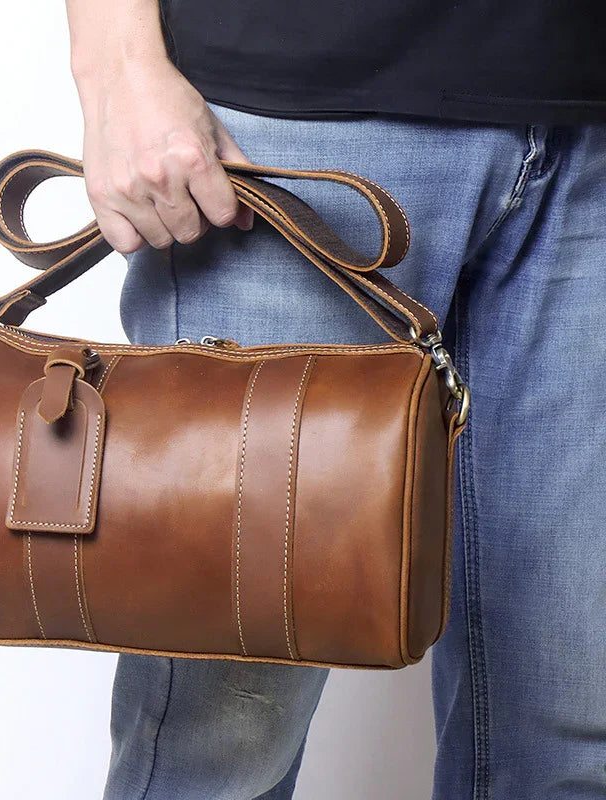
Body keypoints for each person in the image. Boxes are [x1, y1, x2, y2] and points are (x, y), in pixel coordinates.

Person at [63, 1, 606, 798]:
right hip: (284, 124)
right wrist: (116, 66)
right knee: (222, 731)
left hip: (585, 122)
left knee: (571, 733)